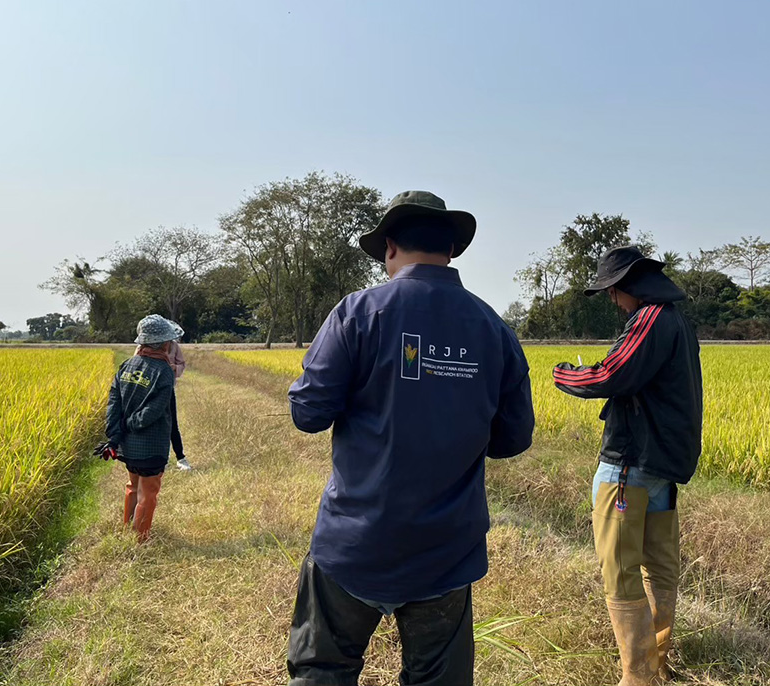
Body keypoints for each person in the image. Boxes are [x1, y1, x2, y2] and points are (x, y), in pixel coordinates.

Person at [285, 190, 535, 686]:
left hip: (355, 541)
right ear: (451, 250)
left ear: (390, 247)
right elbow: (514, 437)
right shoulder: (494, 329)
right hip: (446, 550)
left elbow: (308, 413)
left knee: (323, 670)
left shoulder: (358, 313)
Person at [551, 246, 702, 686]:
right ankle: (658, 662)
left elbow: (611, 374)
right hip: (662, 466)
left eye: (612, 293)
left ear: (626, 288)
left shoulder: (650, 318)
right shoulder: (678, 322)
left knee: (620, 568)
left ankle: (638, 677)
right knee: (659, 565)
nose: (613, 302)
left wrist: (564, 374)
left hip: (629, 464)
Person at [96, 314, 182, 543]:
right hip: (150, 446)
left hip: (126, 445)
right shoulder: (163, 371)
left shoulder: (127, 365)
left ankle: (127, 531)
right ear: (165, 344)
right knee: (148, 493)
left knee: (132, 486)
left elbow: (114, 401)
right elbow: (153, 412)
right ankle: (140, 541)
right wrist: (130, 425)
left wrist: (116, 431)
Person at [135, 321, 191, 471]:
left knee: (171, 422)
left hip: (166, 388)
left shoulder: (174, 346)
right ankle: (156, 458)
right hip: (147, 388)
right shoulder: (141, 347)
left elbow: (182, 364)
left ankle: (180, 457)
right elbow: (137, 365)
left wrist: (173, 368)